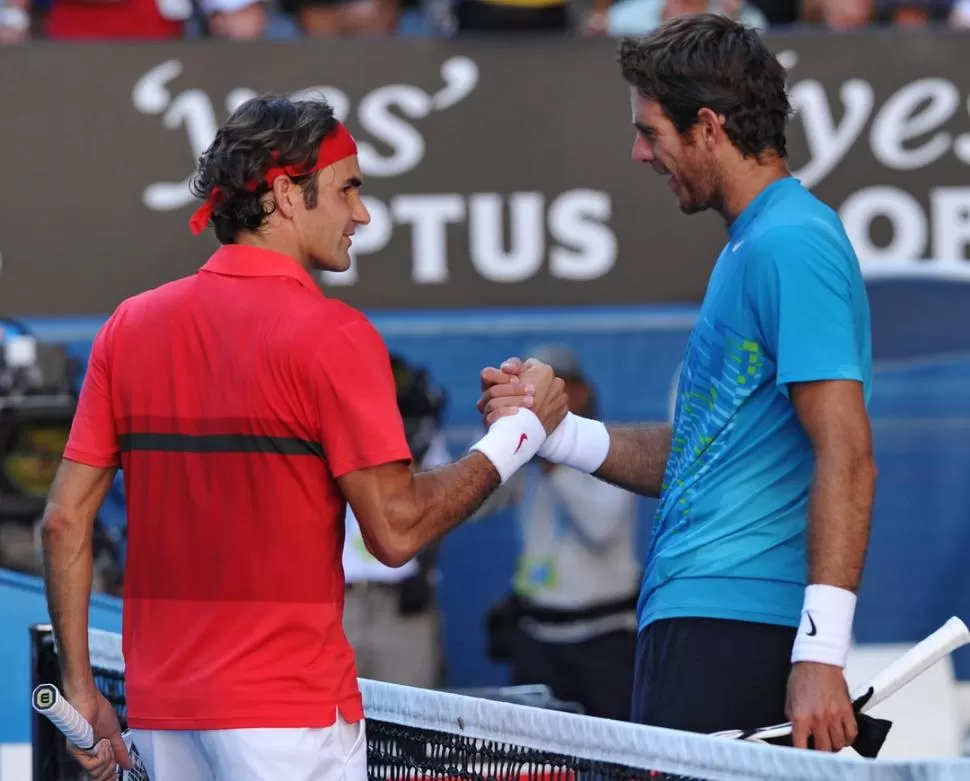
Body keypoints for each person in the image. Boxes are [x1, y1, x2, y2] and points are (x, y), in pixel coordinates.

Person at [40, 94, 568, 781]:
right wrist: (518, 435)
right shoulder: (333, 337)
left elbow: (63, 520)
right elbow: (397, 530)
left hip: (163, 716)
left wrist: (82, 687)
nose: (363, 213)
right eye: (348, 189)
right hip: (286, 721)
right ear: (288, 195)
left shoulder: (128, 326)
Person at [478, 13, 876, 754]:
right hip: (698, 618)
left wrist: (821, 653)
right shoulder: (754, 245)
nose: (638, 153)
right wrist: (555, 429)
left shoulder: (792, 242)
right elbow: (705, 454)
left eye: (651, 132)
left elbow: (847, 450)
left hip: (739, 626)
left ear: (709, 126)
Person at [481, 345, 640, 721]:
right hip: (538, 641)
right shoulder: (523, 457)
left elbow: (600, 528)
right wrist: (495, 444)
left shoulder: (614, 448)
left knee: (615, 760)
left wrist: (556, 460)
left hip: (605, 644)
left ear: (582, 391)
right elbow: (477, 508)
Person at [341, 353, 449, 689]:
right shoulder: (330, 426)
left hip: (402, 600)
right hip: (337, 601)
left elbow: (438, 504)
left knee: (412, 720)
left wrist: (426, 568)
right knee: (332, 724)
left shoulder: (421, 434)